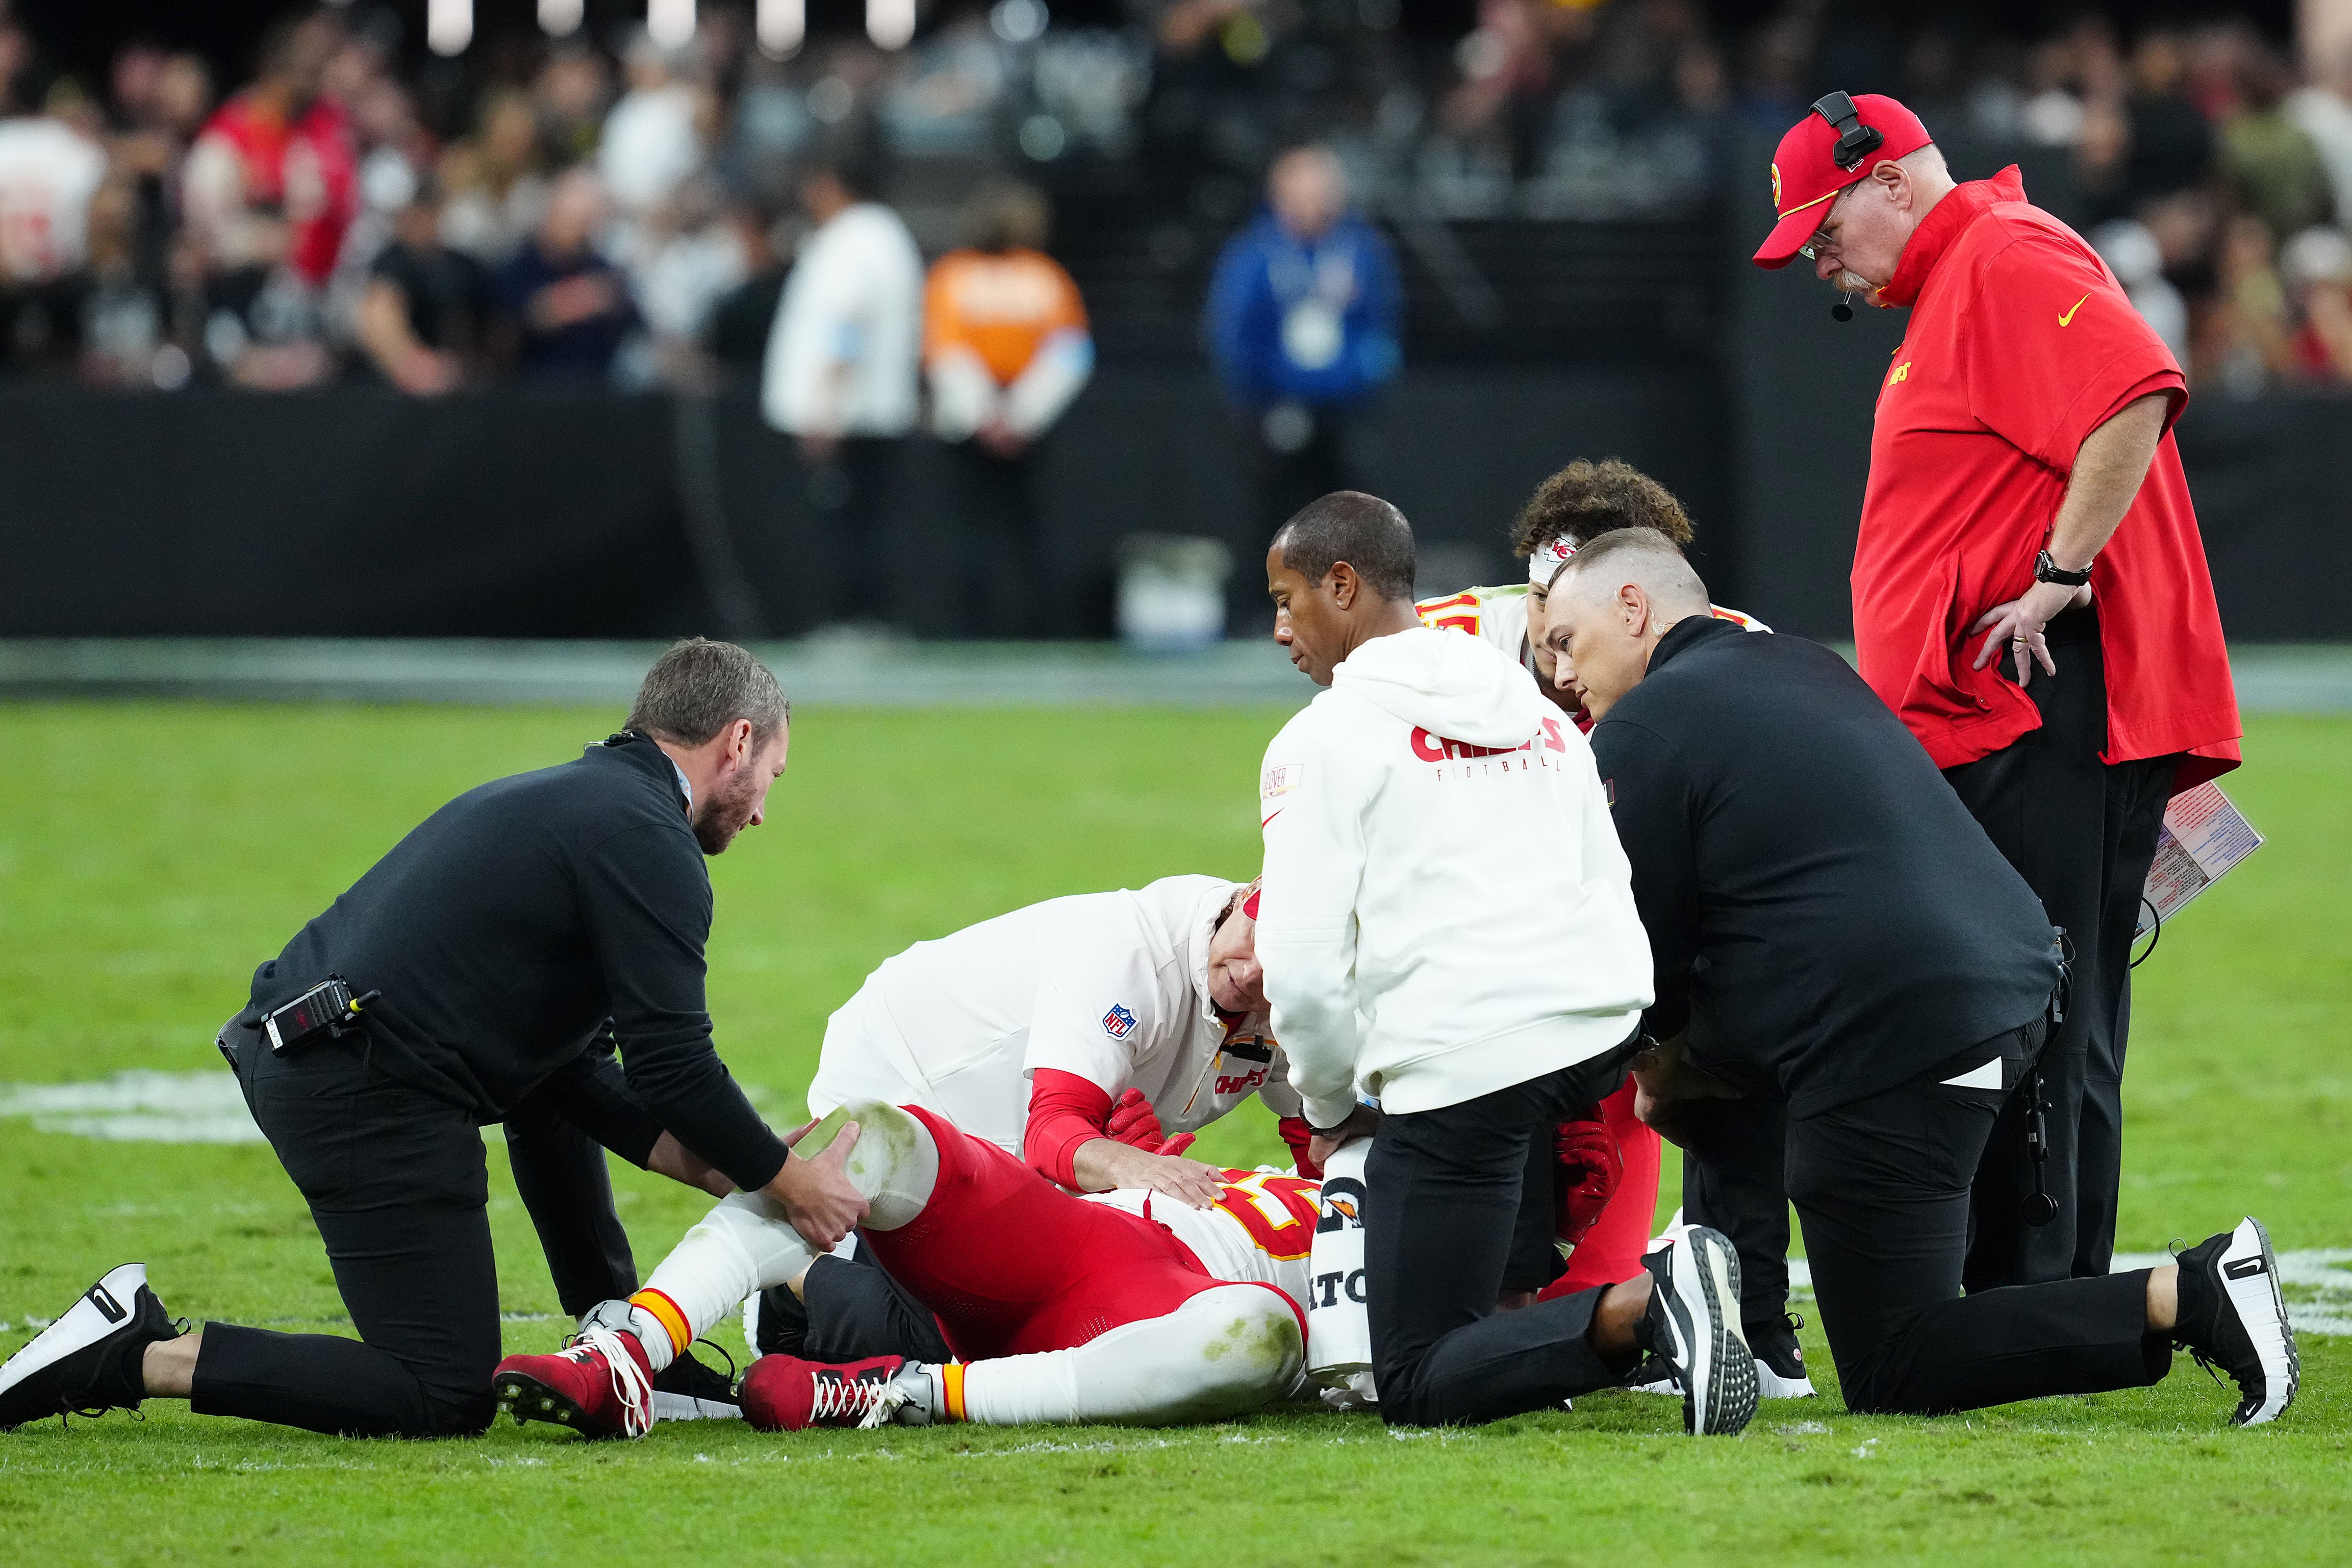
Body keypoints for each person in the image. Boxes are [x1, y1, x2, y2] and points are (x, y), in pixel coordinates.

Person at [0, 640, 869, 1439]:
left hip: (330, 1045)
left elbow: (567, 1071)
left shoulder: (594, 801)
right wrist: (791, 1182)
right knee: (442, 1391)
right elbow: (675, 1065)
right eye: (774, 776)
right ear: (738, 740)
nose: (761, 812)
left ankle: (616, 1334)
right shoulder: (646, 838)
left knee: (542, 1088)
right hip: (362, 1079)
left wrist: (721, 1161)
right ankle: (130, 1350)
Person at [1545, 528, 2296, 1425]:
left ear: (1634, 608)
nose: (1558, 669)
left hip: (1896, 1033)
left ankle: (2194, 1290)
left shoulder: (1646, 726)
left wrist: (1634, 1074)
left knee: (1897, 1359)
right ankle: (1748, 1323)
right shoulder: (1801, 663)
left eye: (1564, 636)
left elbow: (1640, 963)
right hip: (2000, 987)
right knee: (1726, 1090)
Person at [1754, 91, 2241, 1290]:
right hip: (2000, 718)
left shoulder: (2002, 253)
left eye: (1822, 226)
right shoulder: (1966, 274)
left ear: (1886, 182)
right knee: (2014, 1004)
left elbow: (2134, 390)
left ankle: (2042, 1296)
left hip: (2040, 709)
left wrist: (2056, 579)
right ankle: (2025, 1285)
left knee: (2038, 1010)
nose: (1816, 258)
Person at [1254, 490, 1756, 1436]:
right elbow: (1606, 870)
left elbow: (1303, 965)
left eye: (1288, 599)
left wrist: (1328, 1108)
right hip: (1597, 1029)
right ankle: (1668, 1299)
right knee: (1487, 1206)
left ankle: (1651, 1305)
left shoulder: (1319, 740)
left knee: (1417, 1375)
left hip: (1472, 1055)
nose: (1281, 629)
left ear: (1344, 584)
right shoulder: (1537, 713)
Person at [489, 1101, 1314, 1436]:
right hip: (1083, 1239)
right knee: (872, 1134)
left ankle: (904, 1389)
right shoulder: (1377, 1166)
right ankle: (629, 1354)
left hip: (1162, 1306)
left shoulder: (1417, 1234)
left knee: (1257, 1336)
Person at [761, 149, 923, 628]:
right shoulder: (886, 233)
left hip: (850, 414)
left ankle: (851, 622)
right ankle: (863, 619)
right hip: (873, 411)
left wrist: (825, 403)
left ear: (832, 183)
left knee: (846, 528)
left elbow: (847, 323)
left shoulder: (855, 239)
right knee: (867, 523)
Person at [923, 182, 1094, 638]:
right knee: (1027, 530)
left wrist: (984, 415)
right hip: (1027, 428)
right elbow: (1069, 355)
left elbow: (945, 351)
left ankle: (971, 628)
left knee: (971, 529)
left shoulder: (952, 275)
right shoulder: (1046, 277)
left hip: (970, 426)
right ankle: (1035, 627)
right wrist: (1019, 417)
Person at [1205, 146, 1402, 539]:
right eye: (1303, 192)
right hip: (1273, 413)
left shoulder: (1361, 250)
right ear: (1279, 195)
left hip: (1346, 413)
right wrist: (1257, 397)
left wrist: (1365, 380)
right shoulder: (1254, 254)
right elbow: (1233, 332)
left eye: (1324, 191)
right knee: (1275, 520)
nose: (1315, 202)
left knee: (1352, 524)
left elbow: (1384, 325)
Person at [353, 175, 496, 394]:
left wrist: (465, 366)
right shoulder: (391, 262)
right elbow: (379, 318)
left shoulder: (463, 265)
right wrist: (417, 364)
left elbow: (485, 325)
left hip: (464, 382)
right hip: (402, 389)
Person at [495, 166, 636, 381]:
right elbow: (512, 326)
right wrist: (579, 300)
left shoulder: (601, 268)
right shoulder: (519, 267)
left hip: (598, 391)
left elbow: (633, 321)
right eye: (575, 220)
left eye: (589, 223)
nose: (582, 231)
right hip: (533, 393)